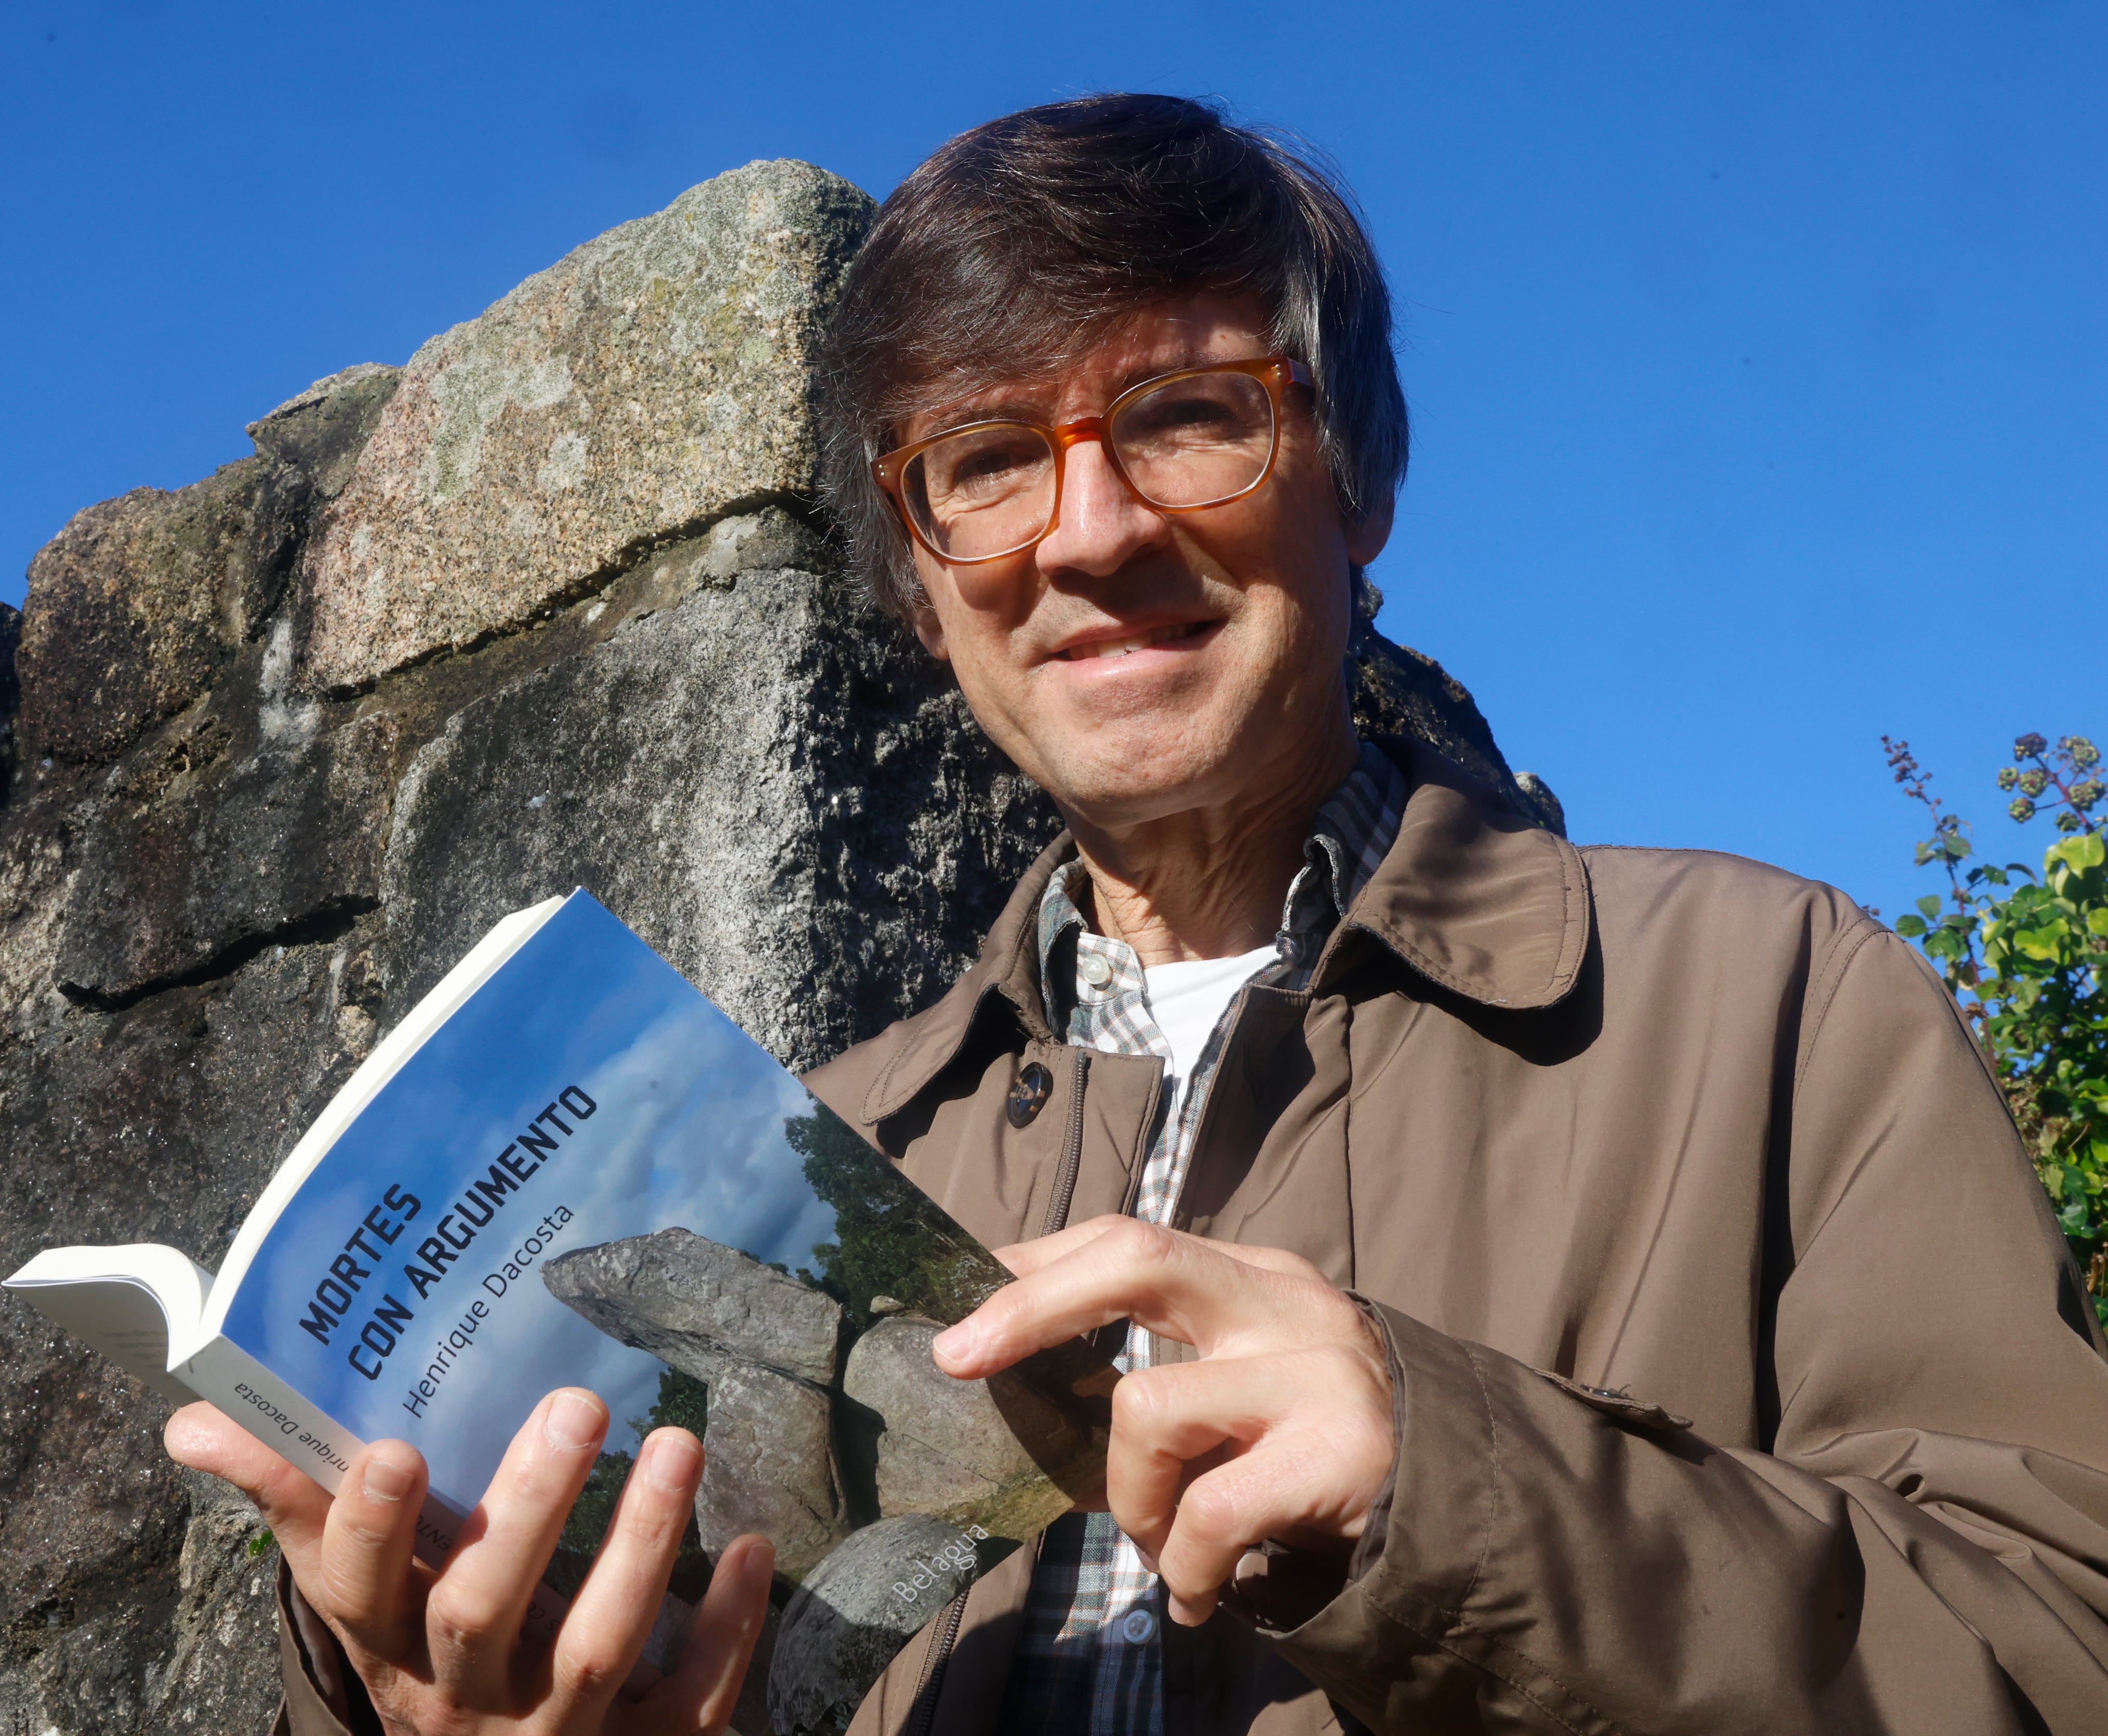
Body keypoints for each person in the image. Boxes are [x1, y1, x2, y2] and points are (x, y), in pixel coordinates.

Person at [167, 95, 2108, 1734]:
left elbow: (2059, 1651)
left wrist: (1456, 1482)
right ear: (927, 590)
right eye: (989, 462)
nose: (1089, 533)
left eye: (1186, 413)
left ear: (1358, 483)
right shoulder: (828, 1138)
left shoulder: (1769, 1005)